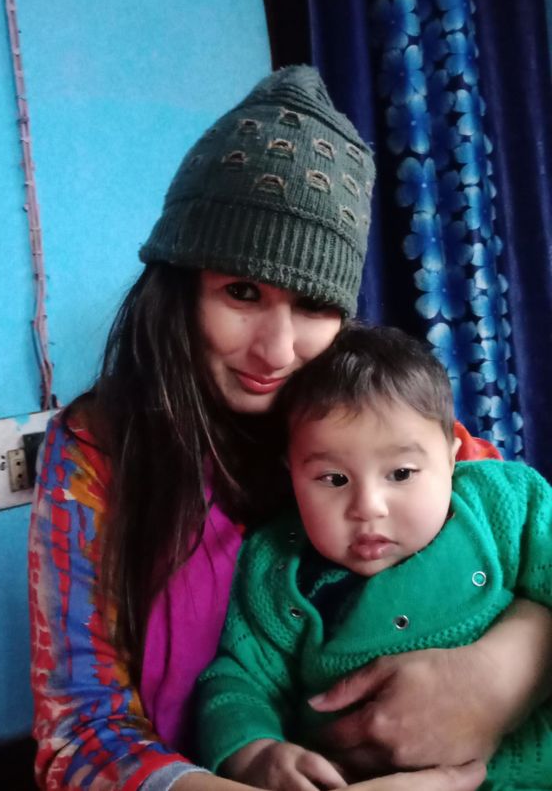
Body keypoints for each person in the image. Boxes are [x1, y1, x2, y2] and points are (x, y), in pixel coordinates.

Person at [28, 65, 551, 791]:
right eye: (242, 292)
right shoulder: (97, 453)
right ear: (178, 287)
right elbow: (80, 732)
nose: (276, 352)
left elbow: (510, 530)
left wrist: (503, 673)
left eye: (313, 305)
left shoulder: (376, 414)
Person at [196, 324, 552, 790]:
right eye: (333, 479)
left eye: (401, 473)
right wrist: (255, 752)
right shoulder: (277, 568)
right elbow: (237, 680)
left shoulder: (506, 504)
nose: (368, 507)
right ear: (292, 473)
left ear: (451, 459)